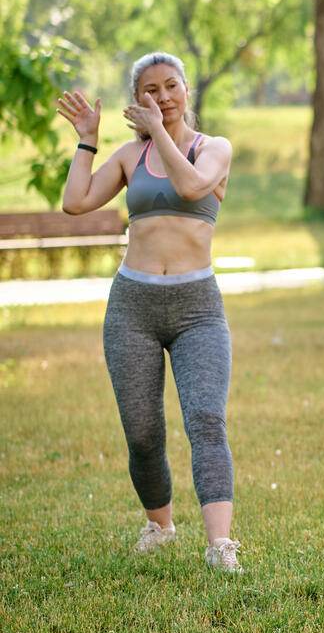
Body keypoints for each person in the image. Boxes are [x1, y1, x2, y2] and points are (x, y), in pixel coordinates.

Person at [57, 52, 241, 572]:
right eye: (149, 90)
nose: (162, 97)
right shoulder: (126, 155)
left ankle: (220, 545)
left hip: (197, 307)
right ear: (136, 100)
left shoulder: (214, 149)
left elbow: (188, 186)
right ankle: (160, 526)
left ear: (187, 90)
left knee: (206, 420)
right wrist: (87, 139)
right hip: (132, 306)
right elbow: (75, 201)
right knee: (142, 432)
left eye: (171, 86)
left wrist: (160, 132)